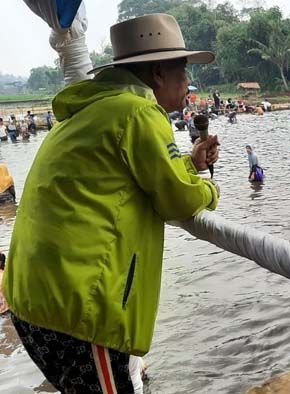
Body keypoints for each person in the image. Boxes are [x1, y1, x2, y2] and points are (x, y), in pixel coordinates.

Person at [3, 14, 221, 393]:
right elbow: (177, 200)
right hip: (77, 312)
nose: (188, 84)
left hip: (36, 300)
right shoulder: (140, 111)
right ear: (156, 74)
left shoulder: (95, 107)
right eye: (182, 72)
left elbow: (126, 179)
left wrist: (190, 163)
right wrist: (210, 190)